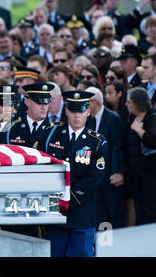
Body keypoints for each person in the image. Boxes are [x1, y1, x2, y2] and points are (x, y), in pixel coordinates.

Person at [45, 90, 108, 257]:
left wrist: (71, 197)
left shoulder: (97, 141)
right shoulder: (51, 134)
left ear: (88, 111)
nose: (77, 116)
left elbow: (95, 177)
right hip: (56, 209)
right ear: (66, 111)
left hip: (82, 210)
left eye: (81, 111)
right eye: (73, 111)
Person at [124, 87, 156, 225]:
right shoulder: (132, 117)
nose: (126, 104)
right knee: (140, 210)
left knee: (153, 211)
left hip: (153, 175)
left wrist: (140, 131)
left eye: (129, 102)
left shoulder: (153, 118)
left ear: (137, 103)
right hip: (137, 175)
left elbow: (155, 141)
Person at [86, 87, 125, 229]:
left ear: (96, 102)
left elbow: (118, 147)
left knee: (111, 210)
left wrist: (118, 171)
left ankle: (113, 246)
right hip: (93, 175)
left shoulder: (113, 118)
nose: (85, 105)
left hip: (109, 174)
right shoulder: (87, 118)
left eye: (87, 102)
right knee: (98, 212)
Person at [7, 83, 56, 151]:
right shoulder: (13, 128)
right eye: (39, 103)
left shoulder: (55, 131)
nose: (44, 107)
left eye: (46, 103)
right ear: (27, 102)